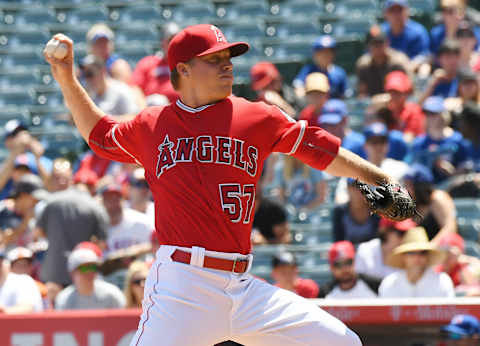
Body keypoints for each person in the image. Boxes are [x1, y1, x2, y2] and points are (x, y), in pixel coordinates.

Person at [44, 23, 411, 345]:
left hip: (243, 286)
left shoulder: (256, 115)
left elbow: (317, 148)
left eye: (228, 57)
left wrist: (376, 177)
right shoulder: (152, 126)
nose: (227, 65)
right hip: (182, 287)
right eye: (215, 59)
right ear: (183, 70)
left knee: (342, 343)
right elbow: (99, 135)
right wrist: (66, 78)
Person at [34, 182, 108, 302]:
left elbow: (38, 232)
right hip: (83, 271)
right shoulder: (94, 205)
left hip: (54, 271)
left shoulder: (52, 201)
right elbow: (102, 244)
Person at [379, 226, 455, 298]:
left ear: (427, 256)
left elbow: (449, 310)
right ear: (403, 256)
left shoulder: (442, 281)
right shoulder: (390, 283)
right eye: (411, 253)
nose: (417, 257)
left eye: (422, 252)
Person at [408, 96, 470, 183]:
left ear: (443, 115)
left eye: (433, 114)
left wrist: (452, 172)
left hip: (451, 188)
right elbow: (411, 169)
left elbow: (466, 167)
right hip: (425, 190)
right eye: (426, 114)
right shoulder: (418, 142)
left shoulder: (457, 140)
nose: (429, 117)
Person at [55, 247, 126, 310]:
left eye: (93, 267)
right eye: (85, 268)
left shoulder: (112, 294)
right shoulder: (64, 299)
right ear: (72, 273)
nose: (90, 272)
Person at [403, 164, 458, 242]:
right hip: (418, 251)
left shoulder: (437, 198)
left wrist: (431, 248)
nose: (406, 190)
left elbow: (450, 228)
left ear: (421, 187)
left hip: (442, 249)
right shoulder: (411, 205)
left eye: (409, 185)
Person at [0, 119, 52, 199]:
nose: (21, 138)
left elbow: (50, 186)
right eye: (15, 135)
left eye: (24, 133)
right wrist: (15, 152)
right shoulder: (4, 163)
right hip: (8, 207)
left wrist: (38, 158)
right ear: (7, 141)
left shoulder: (40, 160)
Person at [130, 22, 180, 104]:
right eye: (170, 40)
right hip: (153, 109)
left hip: (180, 110)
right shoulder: (148, 63)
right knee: (157, 101)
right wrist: (142, 106)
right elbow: (135, 88)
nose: (174, 44)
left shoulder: (188, 64)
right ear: (162, 43)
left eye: (177, 40)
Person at [356, 25, 411, 97]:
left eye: (381, 43)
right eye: (375, 44)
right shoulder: (363, 65)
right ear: (368, 46)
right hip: (373, 105)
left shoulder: (398, 62)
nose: (378, 47)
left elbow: (408, 91)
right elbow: (362, 94)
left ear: (387, 43)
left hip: (397, 102)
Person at [0, 174, 49, 250]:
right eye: (34, 199)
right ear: (23, 195)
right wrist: (26, 220)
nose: (36, 202)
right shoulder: (5, 208)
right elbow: (5, 240)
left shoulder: (34, 212)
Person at [100, 183, 153, 253]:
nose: (112, 203)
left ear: (123, 200)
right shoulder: (99, 227)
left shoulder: (140, 220)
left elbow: (157, 243)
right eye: (108, 199)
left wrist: (135, 251)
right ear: (102, 202)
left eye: (116, 199)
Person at [333, 178, 380, 245]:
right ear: (348, 188)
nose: (358, 190)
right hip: (348, 254)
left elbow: (380, 241)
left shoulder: (377, 210)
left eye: (362, 186)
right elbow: (338, 243)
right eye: (354, 186)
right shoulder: (340, 211)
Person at [382, 70, 425, 141]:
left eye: (397, 93)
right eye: (391, 92)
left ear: (406, 93)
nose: (393, 96)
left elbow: (409, 139)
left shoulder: (413, 111)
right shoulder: (384, 110)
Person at [420, 40, 461, 104]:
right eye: (448, 57)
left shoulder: (464, 79)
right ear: (439, 59)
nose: (452, 61)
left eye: (455, 57)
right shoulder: (433, 79)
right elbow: (419, 104)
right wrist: (433, 83)